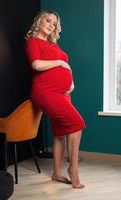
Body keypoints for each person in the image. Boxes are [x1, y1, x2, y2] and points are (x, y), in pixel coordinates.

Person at [25, 10, 86, 189]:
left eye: (54, 23)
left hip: (63, 93)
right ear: (39, 21)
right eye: (48, 20)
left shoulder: (54, 45)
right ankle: (73, 169)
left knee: (60, 133)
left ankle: (56, 173)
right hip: (45, 91)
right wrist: (61, 64)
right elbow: (36, 64)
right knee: (77, 124)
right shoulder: (33, 42)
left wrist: (71, 82)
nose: (51, 25)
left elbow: (66, 65)